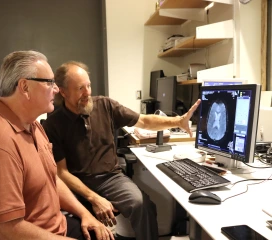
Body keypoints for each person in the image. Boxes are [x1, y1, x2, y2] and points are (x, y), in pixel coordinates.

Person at [0, 51, 114, 240]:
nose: (56, 89)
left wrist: (85, 214)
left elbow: (51, 178)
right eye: (49, 82)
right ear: (25, 87)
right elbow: (7, 231)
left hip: (53, 228)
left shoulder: (32, 124)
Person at [42, 61, 201, 240]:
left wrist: (178, 121)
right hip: (78, 184)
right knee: (80, 230)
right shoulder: (53, 124)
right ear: (63, 92)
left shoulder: (105, 106)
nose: (87, 93)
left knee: (142, 205)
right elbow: (61, 172)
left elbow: (144, 121)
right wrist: (94, 198)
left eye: (88, 85)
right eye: (80, 88)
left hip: (111, 178)